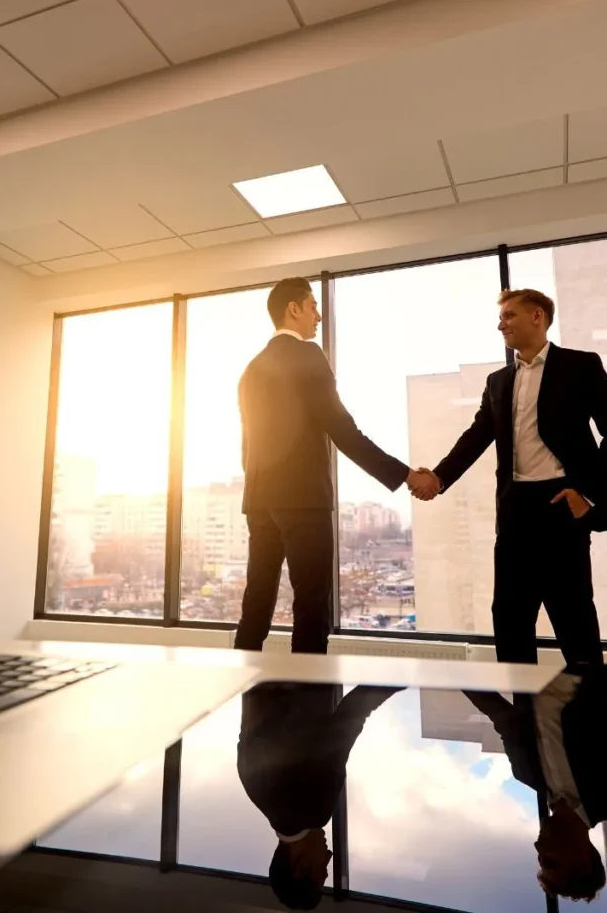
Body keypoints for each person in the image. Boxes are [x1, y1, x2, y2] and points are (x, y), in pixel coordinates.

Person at [234, 277, 434, 654]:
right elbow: (343, 430)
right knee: (311, 605)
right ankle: (309, 706)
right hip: (303, 500)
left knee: (256, 600)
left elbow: (247, 446)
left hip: (259, 500)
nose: (319, 316)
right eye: (312, 306)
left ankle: (242, 697)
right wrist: (405, 474)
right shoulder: (307, 356)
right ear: (293, 309)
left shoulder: (251, 369)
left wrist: (260, 489)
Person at [415, 287, 607, 666]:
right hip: (516, 512)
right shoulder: (498, 381)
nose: (500, 324)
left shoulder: (581, 366)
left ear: (537, 316)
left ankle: (593, 720)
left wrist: (589, 495)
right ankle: (520, 723)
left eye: (509, 316)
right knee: (510, 622)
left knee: (575, 623)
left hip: (561, 506)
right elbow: (476, 436)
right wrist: (438, 478)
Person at [237, 682, 399, 910]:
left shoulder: (317, 810)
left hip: (311, 671)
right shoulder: (252, 789)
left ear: (301, 867)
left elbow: (352, 713)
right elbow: (250, 695)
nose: (330, 856)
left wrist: (405, 677)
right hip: (269, 665)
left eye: (322, 869)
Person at [464, 667, 607, 903]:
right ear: (582, 860)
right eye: (549, 861)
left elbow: (500, 715)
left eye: (539, 860)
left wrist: (453, 671)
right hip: (581, 657)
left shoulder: (525, 773)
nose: (537, 847)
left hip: (524, 657)